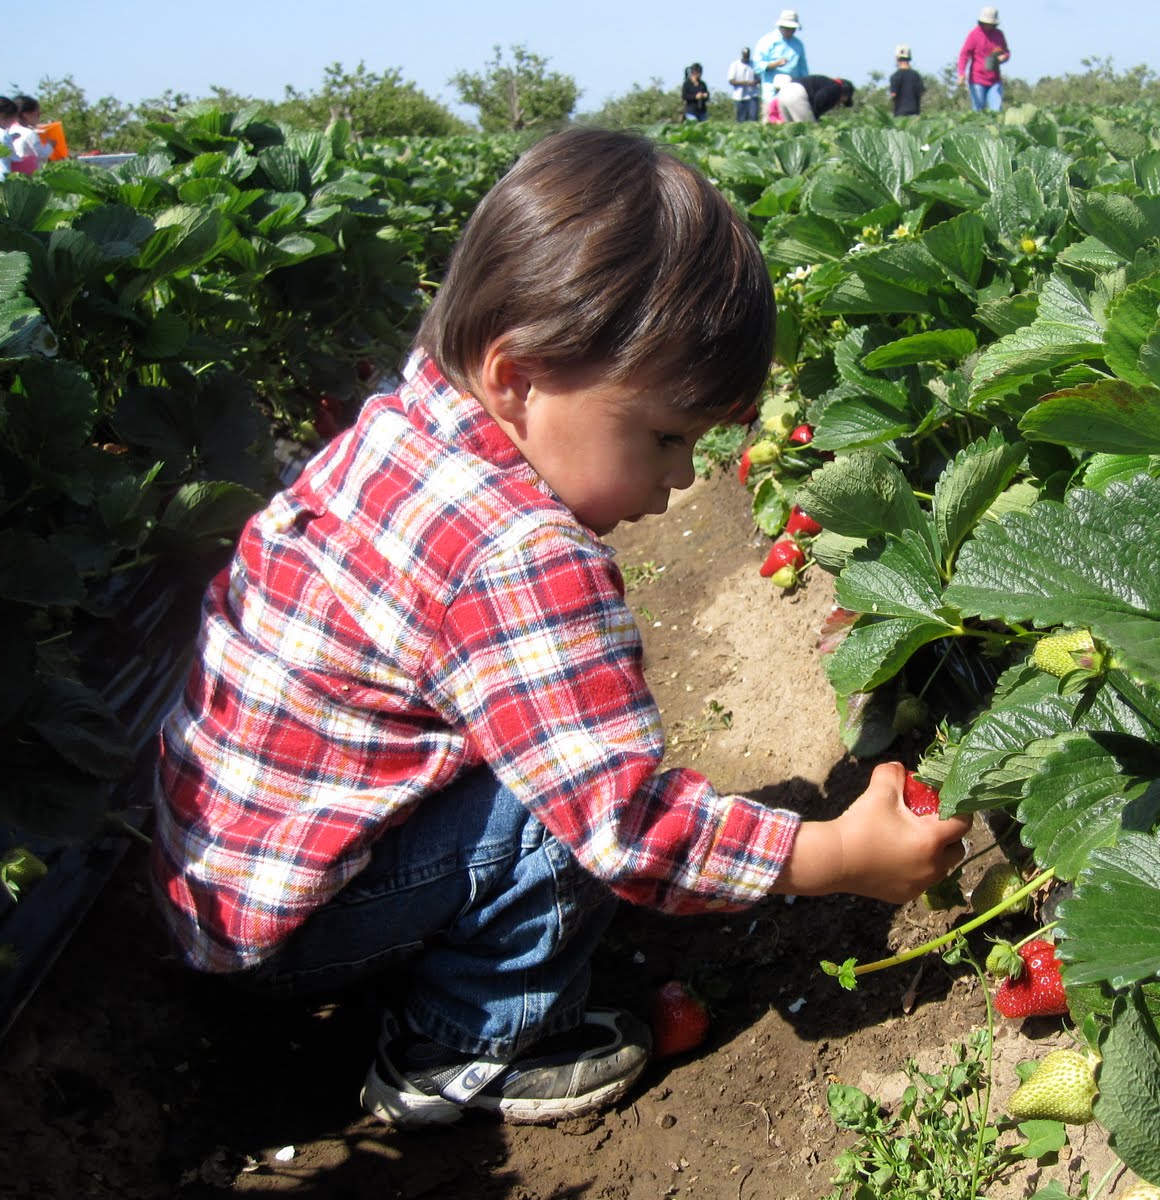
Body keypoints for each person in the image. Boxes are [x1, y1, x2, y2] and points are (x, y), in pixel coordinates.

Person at [150, 127, 971, 1131]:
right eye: (664, 437)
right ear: (517, 377)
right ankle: (459, 1043)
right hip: (301, 926)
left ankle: (436, 940)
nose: (680, 478)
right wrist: (833, 856)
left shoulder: (404, 424)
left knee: (540, 760)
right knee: (558, 803)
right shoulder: (521, 553)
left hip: (226, 882)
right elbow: (620, 822)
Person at [753, 9, 808, 123]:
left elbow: (803, 70)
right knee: (770, 124)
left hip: (792, 93)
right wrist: (775, 64)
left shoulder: (798, 44)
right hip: (771, 93)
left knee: (792, 125)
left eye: (793, 29)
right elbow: (757, 66)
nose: (790, 31)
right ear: (781, 26)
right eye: (788, 28)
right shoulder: (767, 41)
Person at [957, 6, 1010, 113]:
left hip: (995, 80)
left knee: (997, 110)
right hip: (977, 79)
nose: (988, 25)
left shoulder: (999, 35)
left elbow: (1006, 52)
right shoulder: (974, 35)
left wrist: (1004, 57)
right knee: (978, 110)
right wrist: (961, 73)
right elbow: (964, 55)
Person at [773, 75, 854, 124]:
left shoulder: (827, 83)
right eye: (844, 101)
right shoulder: (836, 88)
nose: (841, 104)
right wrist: (815, 120)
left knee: (790, 128)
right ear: (845, 93)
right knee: (809, 129)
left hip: (783, 92)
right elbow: (819, 100)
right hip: (796, 93)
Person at [9, 95, 47, 174]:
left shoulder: (9, 130)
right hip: (28, 173)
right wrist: (50, 145)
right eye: (37, 113)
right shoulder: (29, 133)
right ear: (26, 114)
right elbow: (41, 155)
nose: (39, 116)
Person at [888, 45, 924, 117]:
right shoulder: (916, 75)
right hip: (915, 114)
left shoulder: (895, 76)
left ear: (897, 58)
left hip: (900, 114)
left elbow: (893, 95)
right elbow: (921, 92)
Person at [728, 47, 759, 122]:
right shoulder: (735, 65)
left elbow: (760, 78)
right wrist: (745, 83)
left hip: (752, 95)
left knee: (753, 118)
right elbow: (731, 81)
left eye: (747, 55)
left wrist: (755, 82)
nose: (746, 56)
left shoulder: (754, 64)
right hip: (739, 97)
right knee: (741, 120)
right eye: (745, 54)